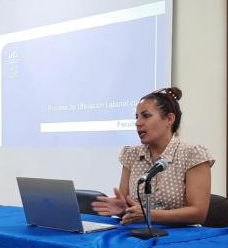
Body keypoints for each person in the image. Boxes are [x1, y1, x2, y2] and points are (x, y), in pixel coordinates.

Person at [92, 87, 214, 225]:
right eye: (137, 117)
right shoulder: (132, 155)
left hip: (181, 238)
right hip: (138, 233)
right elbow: (129, 207)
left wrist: (148, 214)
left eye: (146, 116)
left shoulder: (193, 155)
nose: (138, 123)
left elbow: (198, 213)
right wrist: (122, 209)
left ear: (169, 119)